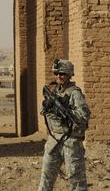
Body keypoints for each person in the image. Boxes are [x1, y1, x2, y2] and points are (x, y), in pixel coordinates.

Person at [38, 59, 91, 191]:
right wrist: (47, 106)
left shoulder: (74, 93)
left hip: (71, 142)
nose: (58, 76)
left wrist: (66, 112)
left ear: (69, 75)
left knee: (76, 181)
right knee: (46, 179)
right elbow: (42, 111)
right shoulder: (53, 90)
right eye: (56, 73)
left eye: (62, 74)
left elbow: (84, 115)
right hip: (54, 140)